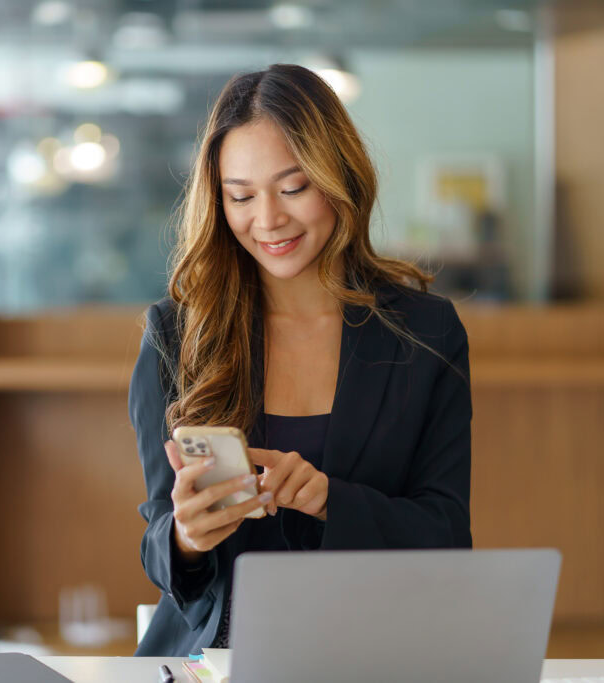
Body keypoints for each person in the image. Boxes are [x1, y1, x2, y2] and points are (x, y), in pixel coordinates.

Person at [128, 63, 472, 657]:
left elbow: (445, 534)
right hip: (216, 658)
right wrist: (186, 535)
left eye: (292, 189)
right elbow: (160, 543)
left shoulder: (424, 332)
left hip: (374, 651)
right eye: (240, 196)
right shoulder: (177, 334)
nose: (268, 220)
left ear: (340, 177)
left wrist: (327, 500)